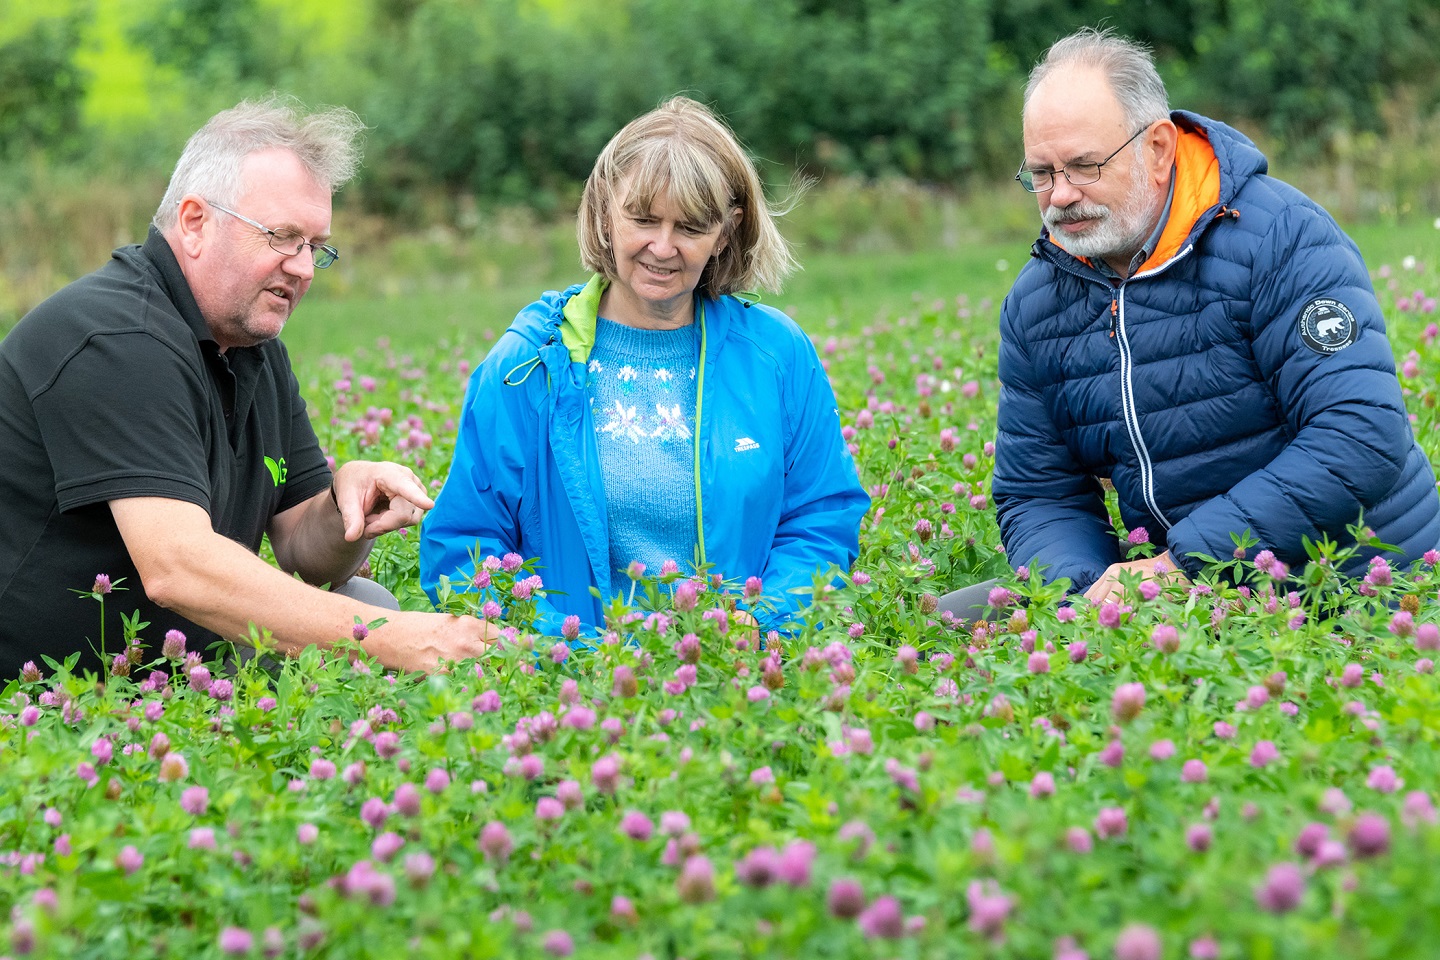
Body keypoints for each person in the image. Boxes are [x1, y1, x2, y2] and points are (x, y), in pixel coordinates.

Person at [0, 98, 495, 680]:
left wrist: (342, 509)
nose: (305, 268)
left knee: (368, 602)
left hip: (179, 674)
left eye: (316, 246)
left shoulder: (252, 349)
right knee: (379, 627)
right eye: (283, 237)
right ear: (194, 223)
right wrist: (398, 641)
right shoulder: (114, 336)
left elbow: (301, 550)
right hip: (52, 699)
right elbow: (178, 568)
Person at [985, 26, 1440, 604]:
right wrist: (1081, 600)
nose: (1061, 195)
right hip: (1192, 601)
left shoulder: (1281, 239)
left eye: (1084, 166)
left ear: (1157, 149)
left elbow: (1358, 435)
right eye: (1042, 175)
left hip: (1355, 589)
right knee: (953, 624)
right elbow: (1038, 491)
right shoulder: (1037, 301)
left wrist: (1181, 565)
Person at [420, 96, 868, 639]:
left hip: (738, 679)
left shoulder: (776, 355)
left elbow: (820, 519)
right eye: (643, 219)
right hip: (569, 688)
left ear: (727, 231)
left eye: (691, 227)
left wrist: (762, 620)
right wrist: (563, 648)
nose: (663, 246)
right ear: (606, 212)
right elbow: (468, 548)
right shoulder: (528, 366)